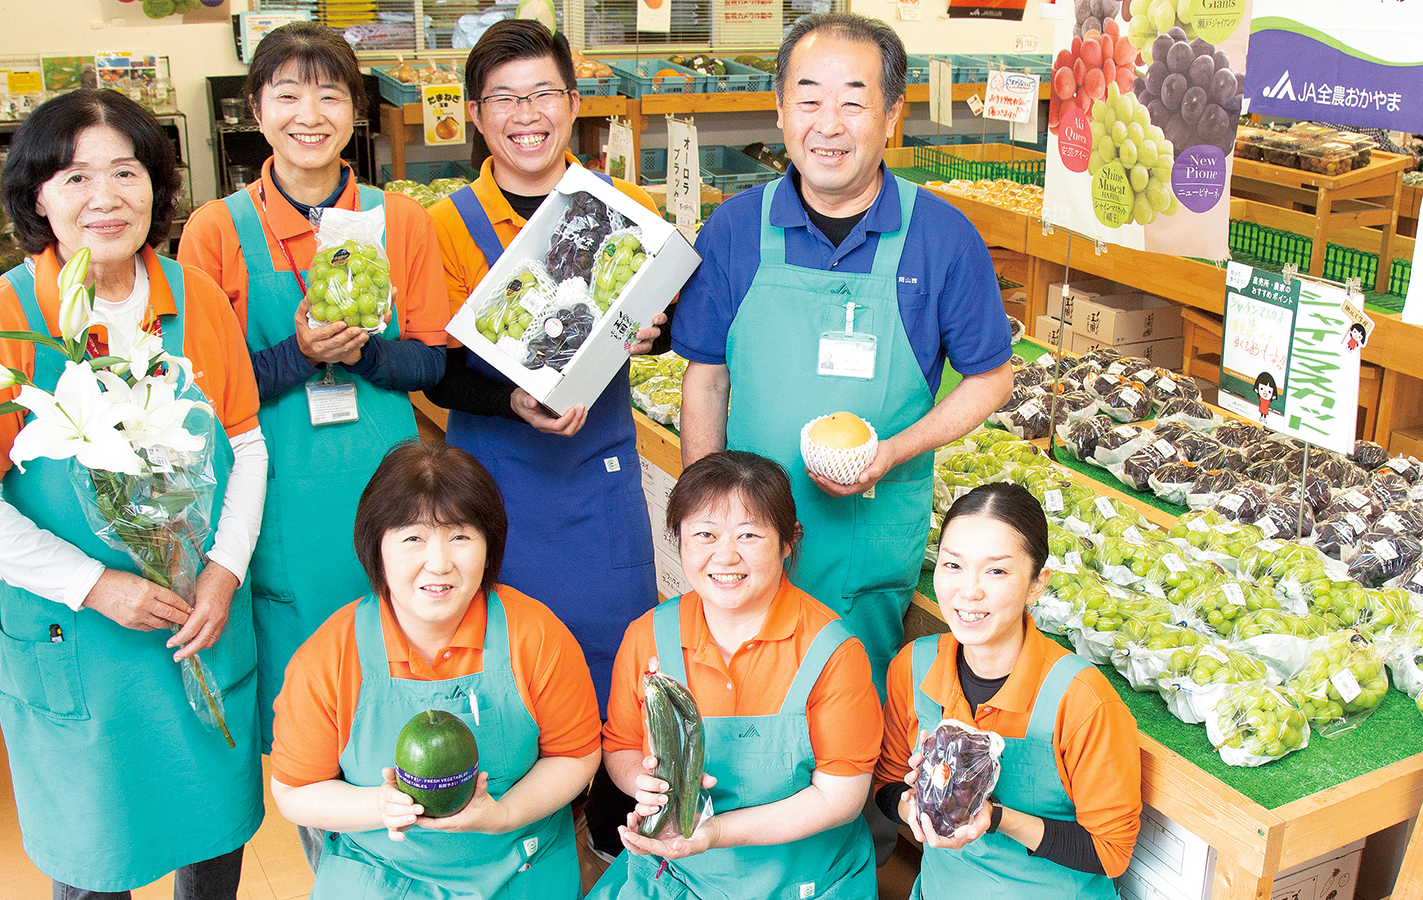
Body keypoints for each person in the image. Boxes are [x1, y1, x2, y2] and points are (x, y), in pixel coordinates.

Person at [0, 89, 265, 898]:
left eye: (127, 171)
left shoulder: (196, 302)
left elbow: (248, 449)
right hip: (81, 642)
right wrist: (94, 585)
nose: (106, 197)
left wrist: (222, 570)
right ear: (37, 196)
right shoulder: (3, 320)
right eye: (76, 177)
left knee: (213, 845)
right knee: (94, 861)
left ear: (158, 185)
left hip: (199, 625)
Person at [672, 12, 1016, 699]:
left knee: (848, 732)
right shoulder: (737, 229)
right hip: (749, 544)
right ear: (779, 109)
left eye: (853, 101)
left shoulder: (942, 238)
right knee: (742, 716)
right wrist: (707, 522)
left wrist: (895, 450)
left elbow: (991, 378)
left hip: (865, 544)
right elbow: (705, 383)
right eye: (808, 99)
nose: (828, 124)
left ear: (892, 114)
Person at [177, 22, 451, 767]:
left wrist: (365, 351)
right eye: (288, 93)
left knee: (402, 671)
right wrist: (297, 356)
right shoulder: (214, 232)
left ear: (354, 111)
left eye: (329, 94)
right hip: (277, 501)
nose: (310, 113)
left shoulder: (402, 220)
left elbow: (430, 364)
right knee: (310, 709)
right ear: (256, 110)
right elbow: (200, 392)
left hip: (386, 484)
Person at [423, 19, 666, 853]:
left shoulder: (623, 213)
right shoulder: (443, 226)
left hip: (599, 492)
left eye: (543, 94)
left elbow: (666, 329)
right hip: (493, 487)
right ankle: (515, 845)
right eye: (504, 98)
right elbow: (431, 368)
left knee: (614, 685)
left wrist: (656, 329)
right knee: (505, 678)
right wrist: (509, 400)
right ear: (475, 115)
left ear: (573, 102)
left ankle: (611, 847)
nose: (527, 114)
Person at [268, 441, 602, 899]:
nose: (440, 563)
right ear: (376, 548)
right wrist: (378, 806)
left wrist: (502, 815)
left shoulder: (536, 635)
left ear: (490, 545)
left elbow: (576, 756)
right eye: (413, 538)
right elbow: (294, 790)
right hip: (381, 870)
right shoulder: (329, 656)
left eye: (460, 536)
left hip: (520, 862)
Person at [589, 451, 884, 900]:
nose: (724, 556)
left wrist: (714, 833)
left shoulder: (834, 654)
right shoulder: (647, 635)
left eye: (748, 535)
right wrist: (644, 788)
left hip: (805, 884)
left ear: (788, 542)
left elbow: (838, 799)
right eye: (704, 534)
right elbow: (624, 745)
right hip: (675, 874)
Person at [876, 482, 1141, 899]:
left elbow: (1110, 851)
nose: (969, 590)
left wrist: (994, 818)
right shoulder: (914, 665)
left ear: (1037, 583)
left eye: (996, 570)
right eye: (953, 565)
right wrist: (924, 810)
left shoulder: (1082, 699)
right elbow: (887, 783)